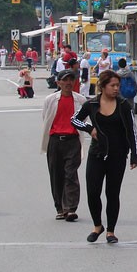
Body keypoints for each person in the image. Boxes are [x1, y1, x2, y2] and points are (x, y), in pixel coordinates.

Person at [71, 69, 137, 244]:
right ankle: (97, 226)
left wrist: (134, 154)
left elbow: (132, 131)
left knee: (112, 193)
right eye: (113, 85)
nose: (116, 89)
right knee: (93, 192)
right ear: (102, 86)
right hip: (97, 154)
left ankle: (110, 231)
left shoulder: (124, 105)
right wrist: (89, 129)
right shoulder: (92, 104)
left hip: (117, 156)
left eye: (118, 85)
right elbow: (75, 119)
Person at [41, 68, 87, 222]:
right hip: (54, 141)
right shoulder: (50, 100)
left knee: (70, 174)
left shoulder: (80, 100)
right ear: (58, 82)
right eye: (65, 80)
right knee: (56, 175)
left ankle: (71, 208)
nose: (68, 83)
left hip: (73, 141)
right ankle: (60, 208)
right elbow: (46, 119)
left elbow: (84, 121)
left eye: (70, 80)